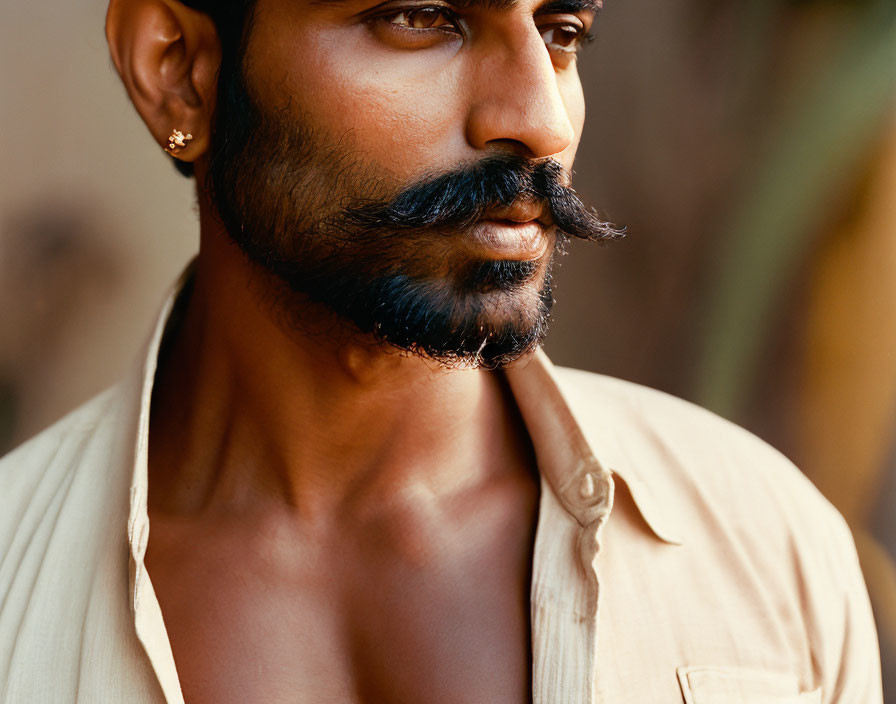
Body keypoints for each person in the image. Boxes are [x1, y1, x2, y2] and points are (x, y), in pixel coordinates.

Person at [0, 0, 882, 701]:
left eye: (561, 30)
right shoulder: (14, 591)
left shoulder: (769, 545)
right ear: (179, 69)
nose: (539, 120)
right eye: (421, 17)